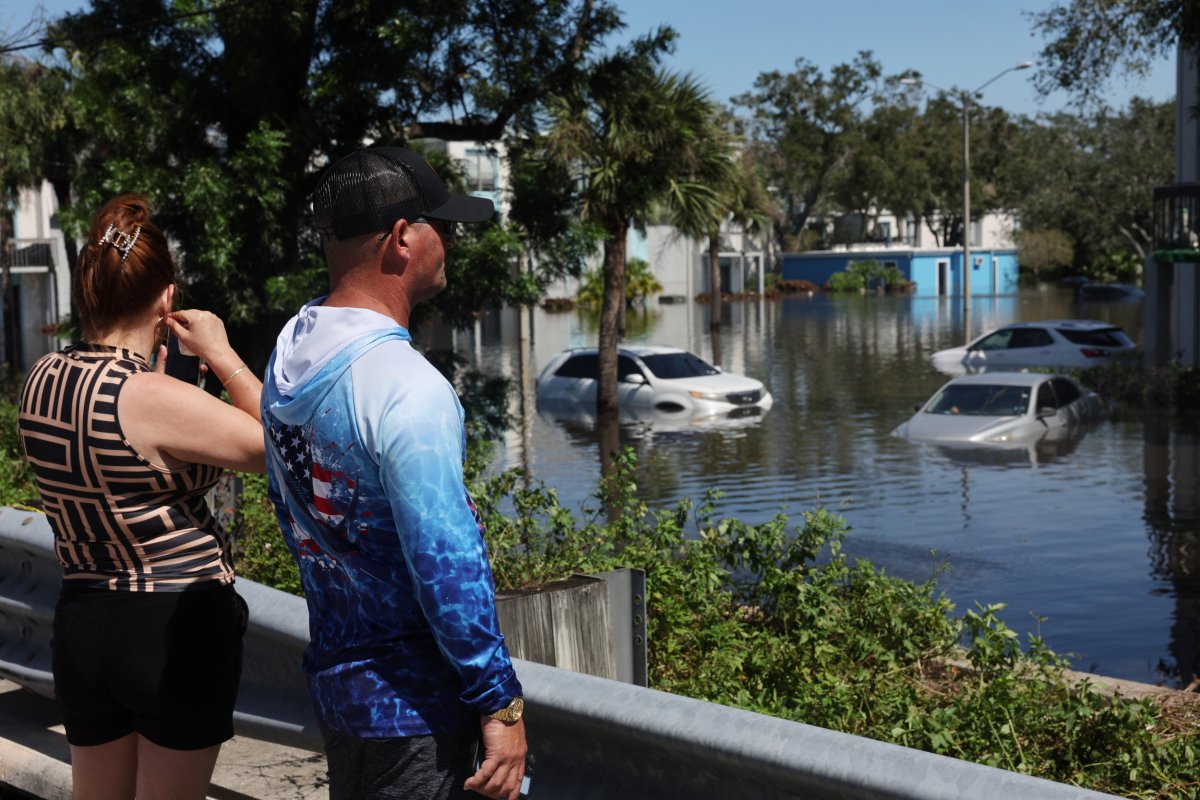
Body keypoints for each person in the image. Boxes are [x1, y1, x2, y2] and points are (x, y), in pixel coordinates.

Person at [260, 147, 527, 800]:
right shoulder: (406, 388)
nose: (452, 242)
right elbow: (446, 561)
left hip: (341, 693)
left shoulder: (291, 351)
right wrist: (501, 704)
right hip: (418, 712)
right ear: (404, 239)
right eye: (444, 226)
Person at [17, 193, 266, 799]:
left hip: (84, 621)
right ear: (166, 298)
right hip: (173, 624)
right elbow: (279, 448)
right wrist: (220, 354)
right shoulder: (155, 399)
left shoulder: (41, 379)